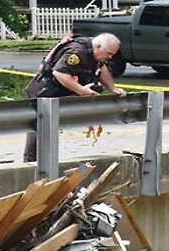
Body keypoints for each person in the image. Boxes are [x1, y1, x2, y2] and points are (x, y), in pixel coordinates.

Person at [23, 33, 127, 161]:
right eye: (109, 53)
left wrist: (113, 89)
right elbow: (59, 73)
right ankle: (31, 163)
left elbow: (101, 69)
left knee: (51, 129)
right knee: (40, 128)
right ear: (98, 46)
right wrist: (81, 90)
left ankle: (47, 163)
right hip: (43, 92)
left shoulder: (94, 53)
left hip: (59, 94)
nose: (110, 57)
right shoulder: (77, 52)